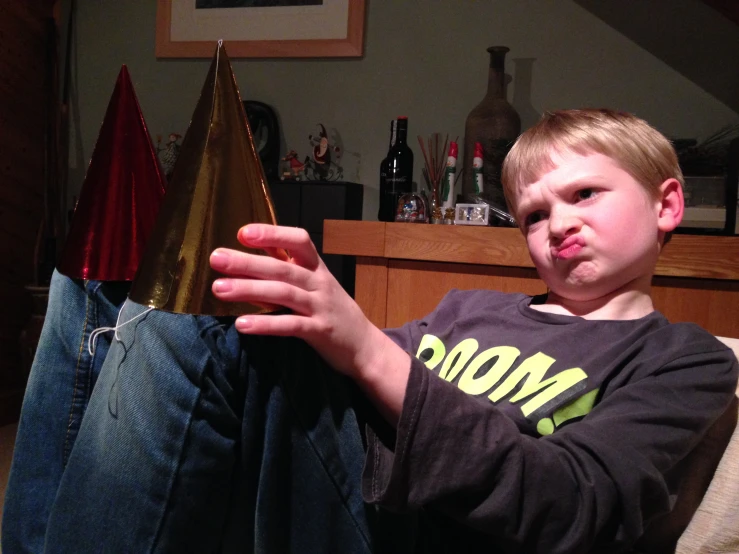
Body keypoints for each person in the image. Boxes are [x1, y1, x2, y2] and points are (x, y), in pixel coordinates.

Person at [204, 108, 738, 552]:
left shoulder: (686, 359)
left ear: (665, 204)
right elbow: (346, 386)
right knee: (191, 330)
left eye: (584, 194)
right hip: (344, 502)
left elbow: (570, 502)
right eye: (533, 216)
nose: (558, 225)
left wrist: (364, 346)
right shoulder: (468, 311)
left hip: (418, 535)